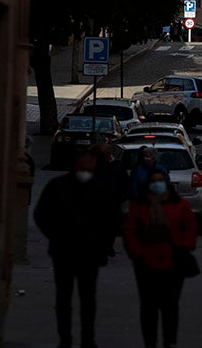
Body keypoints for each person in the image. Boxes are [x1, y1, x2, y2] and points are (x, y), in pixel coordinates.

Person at [34, 147, 121, 348]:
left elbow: (111, 220)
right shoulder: (58, 186)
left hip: (89, 253)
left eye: (88, 162)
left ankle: (87, 339)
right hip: (64, 251)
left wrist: (101, 243)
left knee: (87, 298)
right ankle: (66, 338)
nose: (84, 166)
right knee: (65, 298)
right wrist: (55, 235)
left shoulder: (100, 189)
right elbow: (41, 215)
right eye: (81, 162)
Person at [123, 168, 198, 348]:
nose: (157, 183)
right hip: (146, 264)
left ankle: (169, 340)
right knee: (148, 307)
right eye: (154, 180)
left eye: (160, 180)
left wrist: (184, 246)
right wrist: (137, 253)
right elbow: (130, 231)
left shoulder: (179, 204)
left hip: (173, 263)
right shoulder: (140, 205)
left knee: (170, 306)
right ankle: (150, 341)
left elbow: (190, 227)